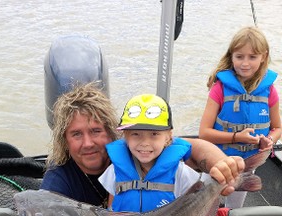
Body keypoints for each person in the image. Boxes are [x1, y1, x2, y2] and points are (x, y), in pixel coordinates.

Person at [40, 83, 244, 209]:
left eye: (96, 131)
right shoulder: (59, 179)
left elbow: (195, 147)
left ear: (113, 133)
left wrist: (224, 168)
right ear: (64, 140)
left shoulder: (139, 151)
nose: (88, 143)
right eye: (76, 134)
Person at [98, 94, 245, 213]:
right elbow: (112, 207)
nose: (145, 142)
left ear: (168, 137)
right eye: (136, 134)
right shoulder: (114, 171)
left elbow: (193, 202)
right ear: (125, 137)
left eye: (154, 134)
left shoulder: (181, 173)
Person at [199, 26, 282, 208]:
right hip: (216, 160)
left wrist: (268, 140)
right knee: (205, 201)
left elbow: (278, 127)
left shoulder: (270, 91)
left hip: (247, 164)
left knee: (235, 208)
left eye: (252, 57)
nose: (245, 63)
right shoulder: (219, 89)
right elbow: (204, 133)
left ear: (263, 57)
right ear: (231, 56)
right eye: (239, 56)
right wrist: (236, 137)